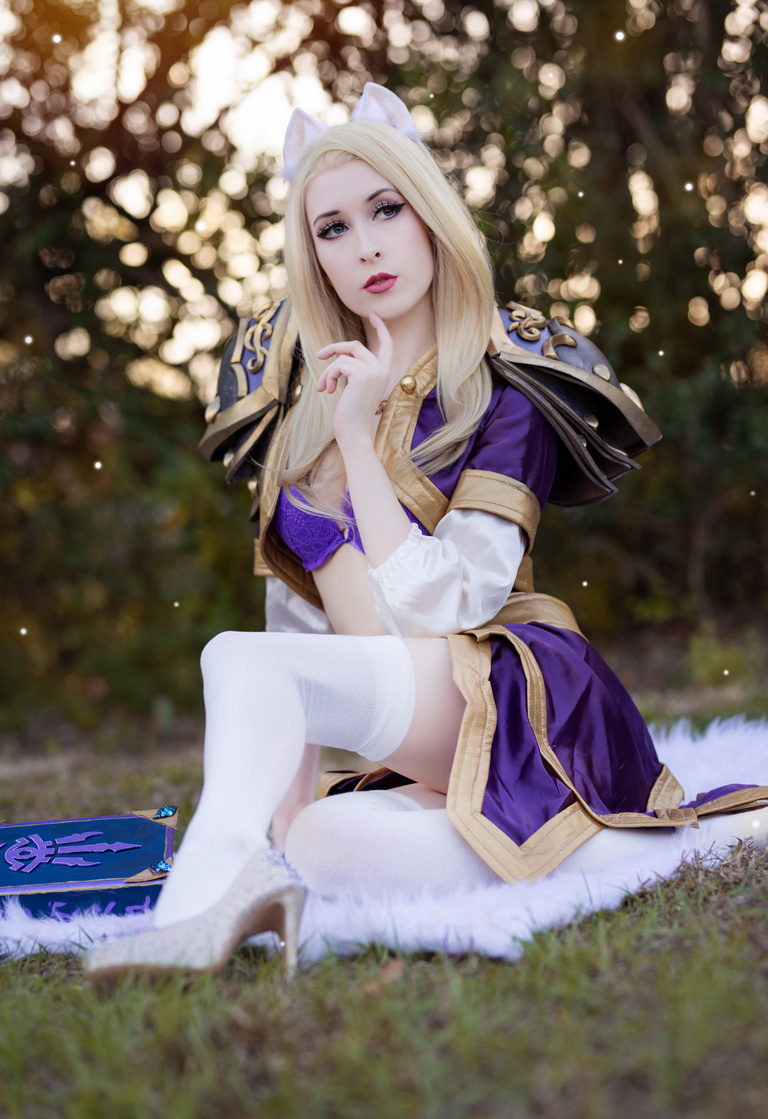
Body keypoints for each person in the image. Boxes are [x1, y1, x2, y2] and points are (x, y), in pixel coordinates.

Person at [86, 84, 768, 981]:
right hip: (406, 719)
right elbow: (299, 629)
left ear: (431, 217)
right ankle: (637, 847)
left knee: (233, 657)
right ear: (312, 258)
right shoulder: (300, 417)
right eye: (333, 228)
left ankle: (197, 903)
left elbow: (455, 603)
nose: (365, 245)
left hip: (506, 687)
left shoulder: (508, 393)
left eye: (386, 209)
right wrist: (285, 815)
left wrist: (361, 446)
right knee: (323, 841)